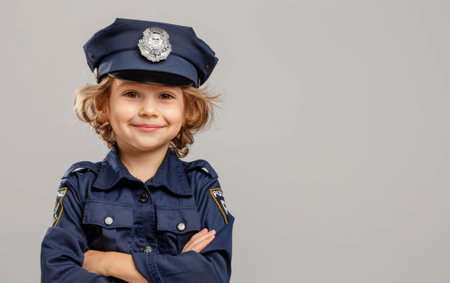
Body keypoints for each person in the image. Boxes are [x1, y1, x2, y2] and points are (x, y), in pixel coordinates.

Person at [41, 18, 233, 283]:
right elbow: (57, 275)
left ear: (189, 110)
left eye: (165, 96)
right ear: (102, 106)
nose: (148, 110)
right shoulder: (79, 185)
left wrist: (107, 262)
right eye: (131, 93)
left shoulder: (200, 185)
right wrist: (177, 269)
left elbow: (211, 276)